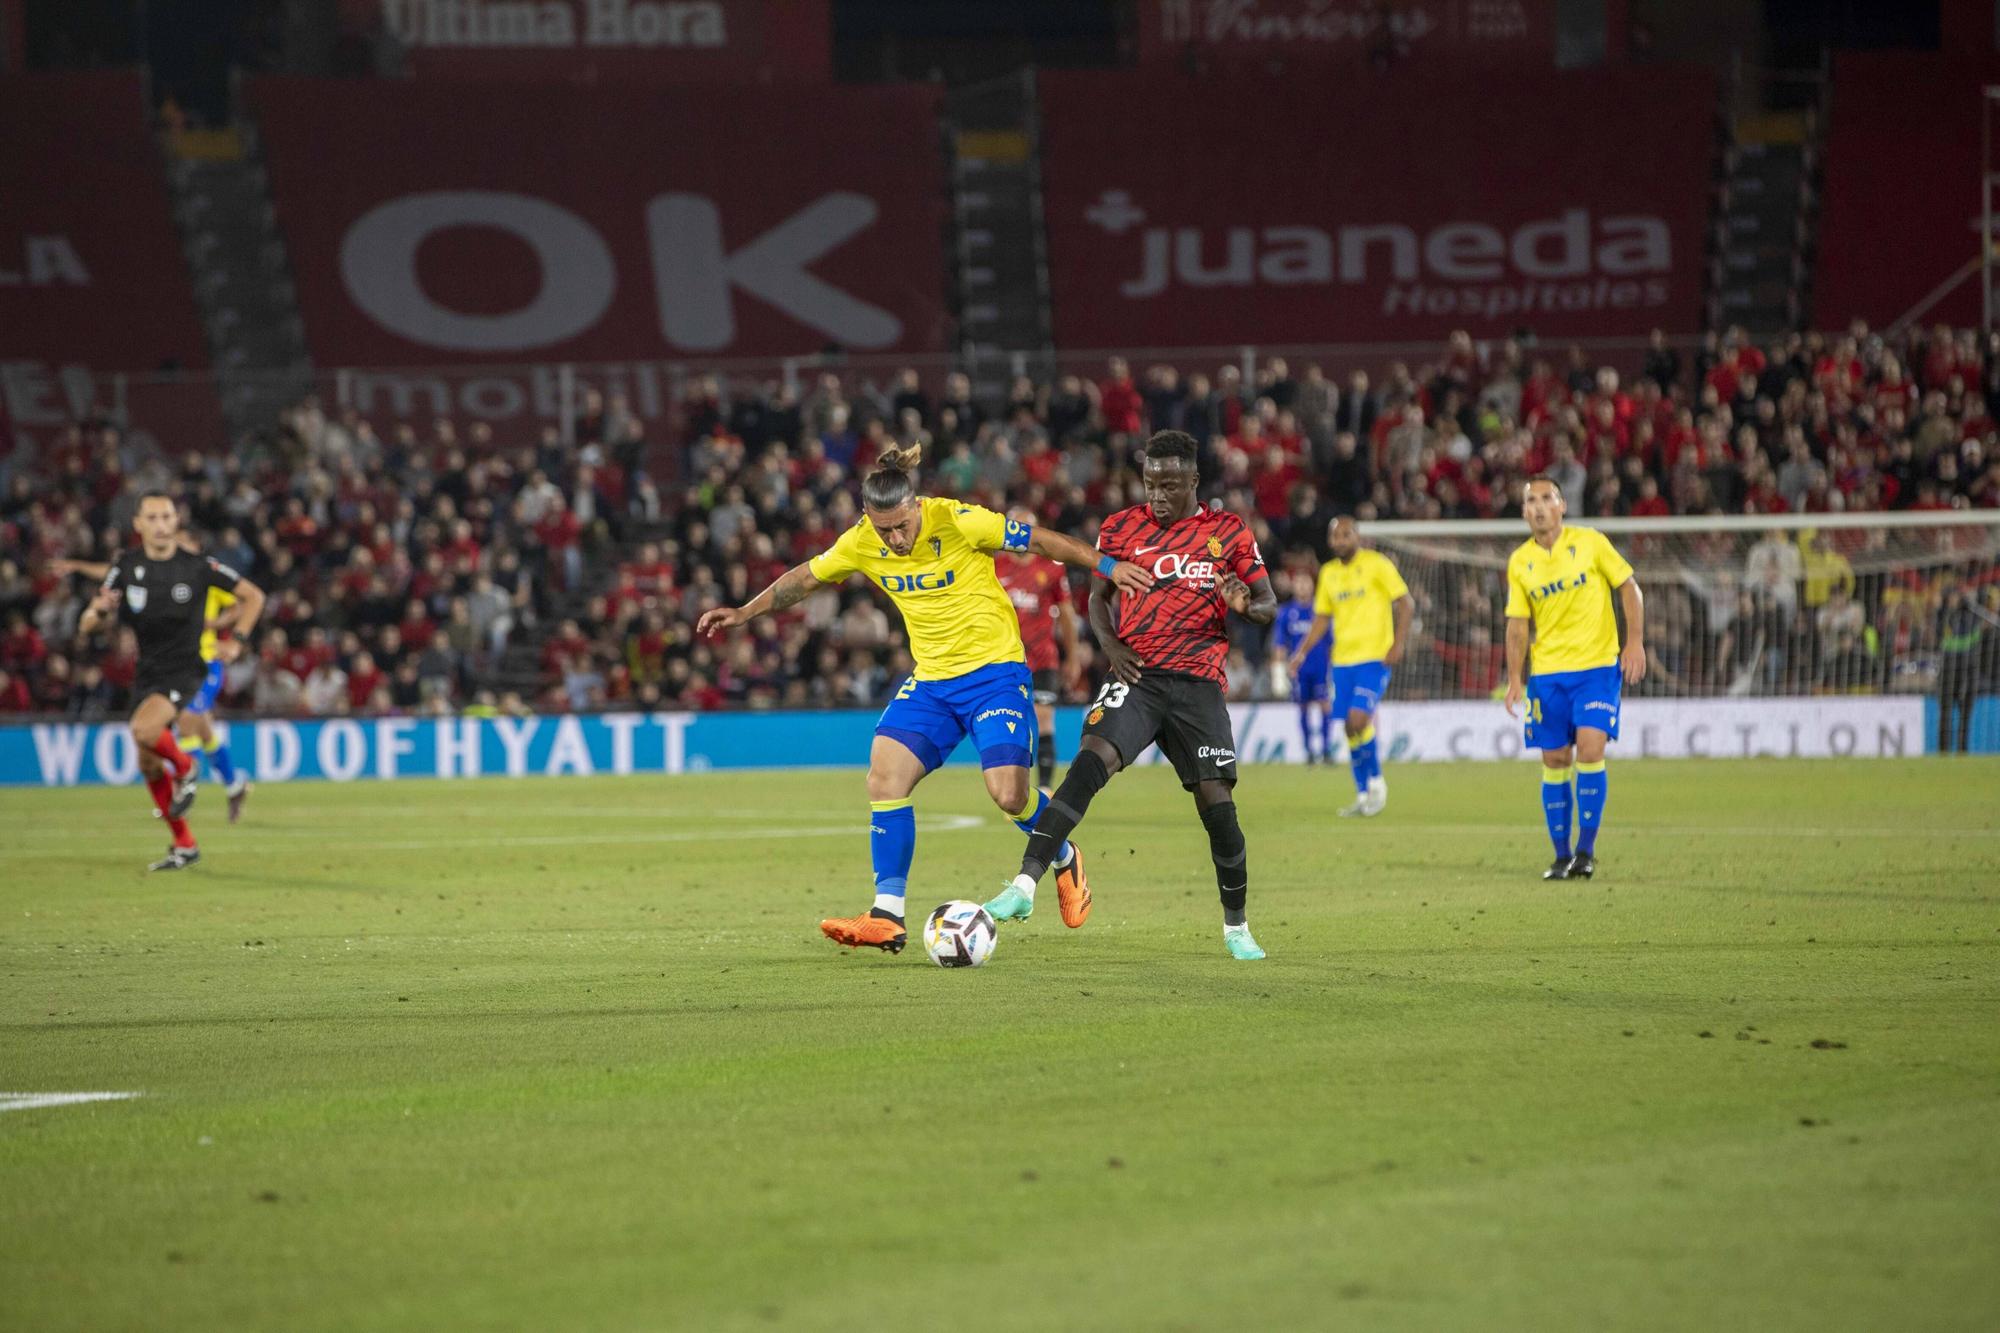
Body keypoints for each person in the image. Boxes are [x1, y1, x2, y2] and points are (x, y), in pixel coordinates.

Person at [696, 445, 1151, 955]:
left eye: (900, 527)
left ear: (915, 507)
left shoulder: (957, 520)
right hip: (932, 682)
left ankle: (1064, 855)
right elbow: (804, 578)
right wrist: (744, 611)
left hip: (995, 674)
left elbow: (1044, 542)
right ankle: (887, 914)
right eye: (883, 530)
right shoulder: (862, 541)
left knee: (1008, 795)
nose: (893, 539)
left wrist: (1108, 565)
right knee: (885, 775)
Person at [983, 431, 1279, 961]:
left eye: (1169, 485)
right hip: (1137, 675)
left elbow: (1267, 604)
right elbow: (1098, 599)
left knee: (1219, 809)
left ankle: (1236, 926)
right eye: (1150, 484)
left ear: (1193, 481)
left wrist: (1242, 604)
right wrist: (1111, 646)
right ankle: (1023, 886)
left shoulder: (1228, 533)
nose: (1158, 496)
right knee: (1086, 766)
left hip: (1197, 684)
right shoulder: (1120, 528)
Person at [76, 493, 264, 870]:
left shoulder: (197, 566)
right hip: (148, 672)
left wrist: (237, 642)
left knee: (144, 730)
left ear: (176, 521)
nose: (161, 524)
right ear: (138, 524)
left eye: (167, 517)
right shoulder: (126, 566)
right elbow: (87, 624)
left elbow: (253, 596)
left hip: (187, 668)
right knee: (147, 763)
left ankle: (187, 768)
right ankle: (185, 845)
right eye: (153, 517)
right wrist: (98, 612)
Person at [1502, 477, 1646, 881]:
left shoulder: (1591, 542)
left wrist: (1634, 642)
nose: (1539, 506)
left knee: (1589, 749)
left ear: (1562, 505)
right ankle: (1561, 856)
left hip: (1597, 668)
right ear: (1524, 511)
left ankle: (1586, 851)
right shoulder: (1519, 562)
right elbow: (1517, 625)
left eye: (1547, 498)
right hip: (1547, 675)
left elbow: (1629, 588)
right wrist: (1515, 678)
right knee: (1555, 760)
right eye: (1531, 500)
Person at [54, 543, 253, 822]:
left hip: (206, 661)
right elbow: (115, 573)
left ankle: (183, 785)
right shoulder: (153, 573)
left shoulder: (203, 575)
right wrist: (79, 566)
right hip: (173, 665)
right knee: (203, 728)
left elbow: (240, 604)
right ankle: (234, 785)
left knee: (187, 720)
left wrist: (218, 626)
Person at [1288, 517, 1413, 816]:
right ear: (1330, 541)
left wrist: (1398, 643)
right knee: (1348, 727)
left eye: (1346, 534)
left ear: (1357, 536)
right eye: (1336, 536)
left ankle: (1378, 784)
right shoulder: (1329, 573)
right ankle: (1362, 794)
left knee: (1358, 720)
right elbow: (1321, 618)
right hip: (1342, 661)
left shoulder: (1377, 564)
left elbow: (1405, 603)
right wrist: (1301, 652)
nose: (1341, 540)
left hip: (1374, 658)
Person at [996, 506, 1081, 791]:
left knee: (1044, 719)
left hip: (1043, 657)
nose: (1021, 536)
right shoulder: (992, 567)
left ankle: (1044, 789)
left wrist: (1072, 656)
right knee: (1010, 723)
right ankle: (1014, 789)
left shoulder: (1051, 567)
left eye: (1026, 530)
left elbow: (1067, 614)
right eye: (1016, 529)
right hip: (1004, 660)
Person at [1268, 570, 1334, 765]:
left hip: (1321, 667)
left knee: (1324, 705)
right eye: (1299, 583)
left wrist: (1335, 668)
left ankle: (1326, 750)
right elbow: (1280, 645)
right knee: (1303, 708)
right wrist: (1278, 674)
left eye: (1306, 582)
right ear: (1293, 586)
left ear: (1312, 585)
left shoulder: (1321, 612)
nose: (1303, 586)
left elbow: (1331, 643)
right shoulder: (1286, 613)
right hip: (1299, 670)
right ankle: (1309, 752)